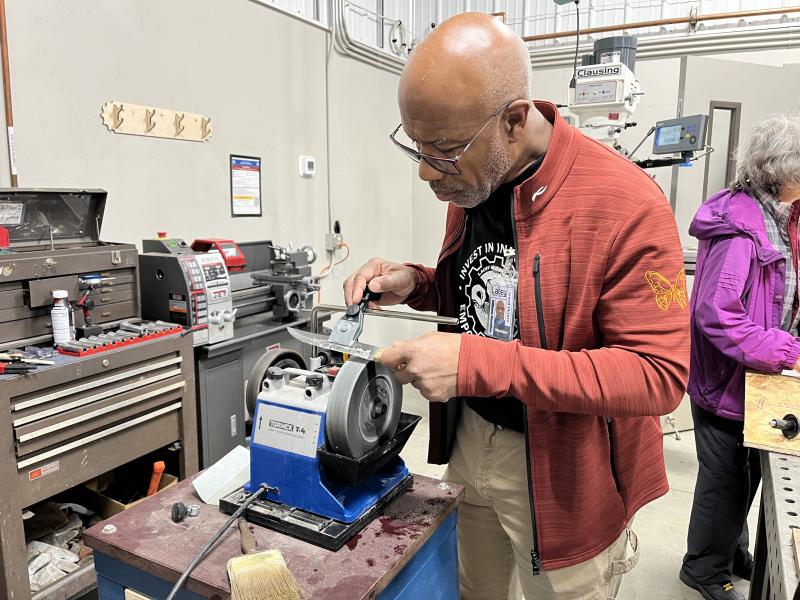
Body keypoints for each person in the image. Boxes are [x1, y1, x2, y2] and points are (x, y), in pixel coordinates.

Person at [343, 13, 689, 599]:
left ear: (512, 122)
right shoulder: (475, 181)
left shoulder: (628, 204)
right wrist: (420, 284)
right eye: (417, 149)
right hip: (470, 438)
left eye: (445, 151)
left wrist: (480, 365)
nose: (428, 172)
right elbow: (490, 296)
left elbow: (657, 377)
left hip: (567, 470)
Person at [680, 114, 800, 600]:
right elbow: (716, 312)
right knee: (725, 480)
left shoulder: (784, 216)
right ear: (782, 169)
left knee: (747, 472)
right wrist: (786, 349)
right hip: (725, 379)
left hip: (758, 376)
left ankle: (729, 550)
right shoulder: (740, 227)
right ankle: (703, 568)